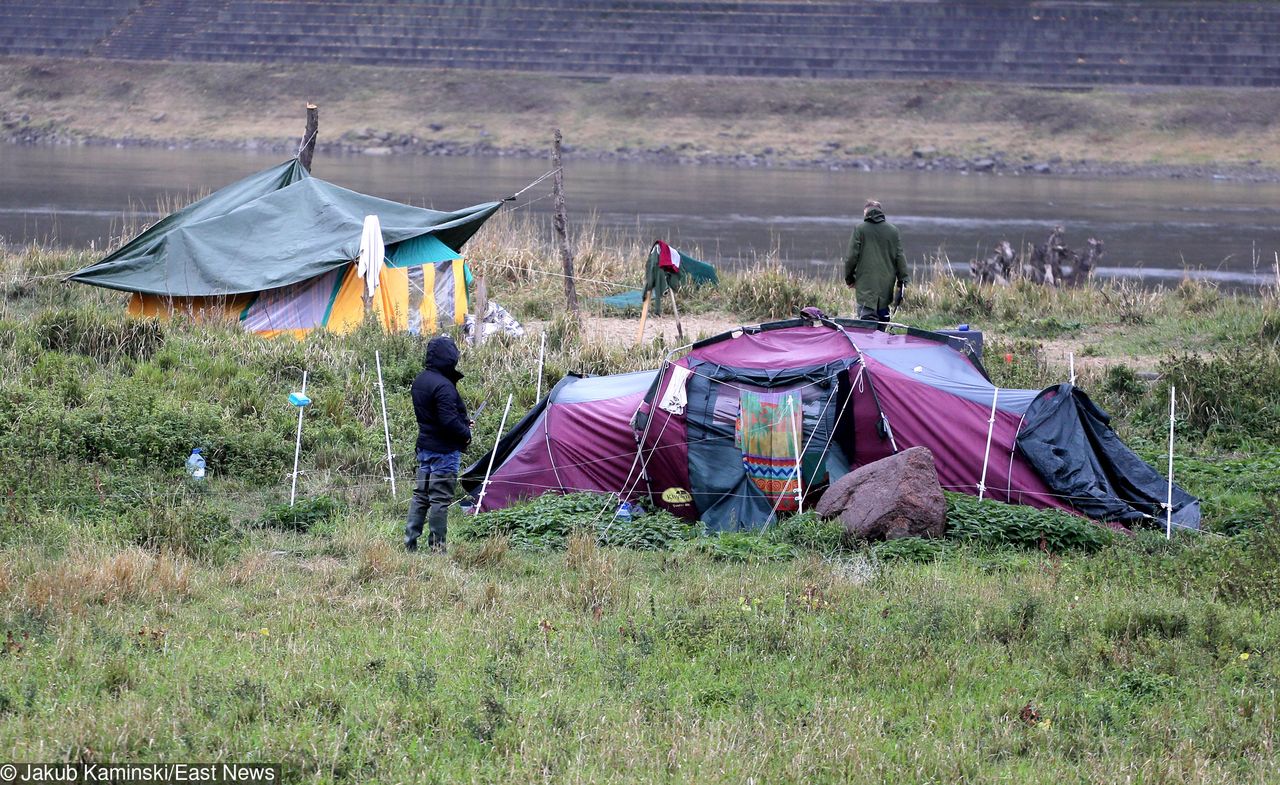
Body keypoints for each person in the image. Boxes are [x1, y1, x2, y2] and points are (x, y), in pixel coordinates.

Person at [404, 335, 471, 553]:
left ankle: (410, 543)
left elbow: (435, 415)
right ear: (448, 357)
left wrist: (462, 421)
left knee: (421, 495)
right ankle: (437, 548)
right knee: (439, 500)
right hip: (444, 451)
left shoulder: (421, 380)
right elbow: (447, 420)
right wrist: (465, 433)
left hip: (424, 447)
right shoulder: (444, 385)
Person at [843, 199, 909, 324]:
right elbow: (900, 257)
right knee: (883, 318)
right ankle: (882, 338)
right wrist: (903, 280)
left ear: (866, 212)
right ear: (880, 211)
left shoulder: (860, 229)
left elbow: (851, 257)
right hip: (886, 284)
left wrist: (849, 279)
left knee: (866, 324)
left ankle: (868, 340)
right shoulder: (893, 230)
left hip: (865, 285)